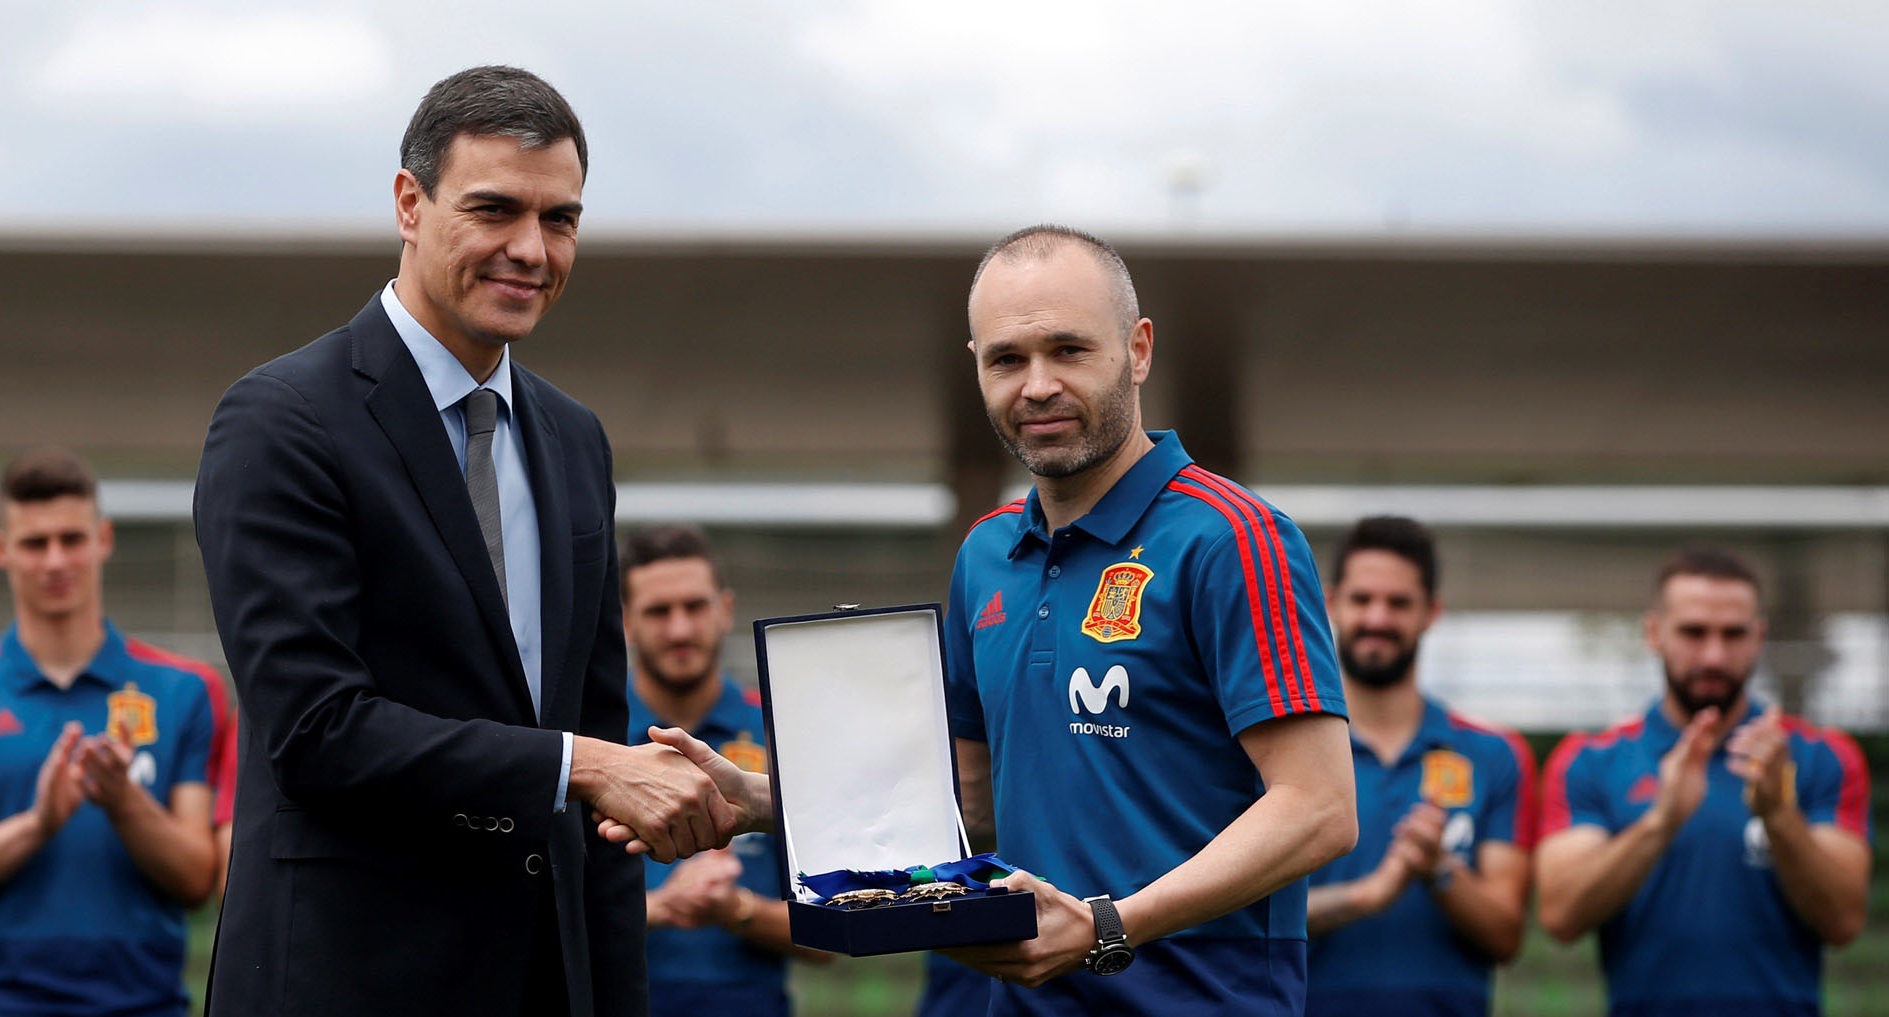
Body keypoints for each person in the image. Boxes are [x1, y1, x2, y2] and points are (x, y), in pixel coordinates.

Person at [194, 65, 745, 1017]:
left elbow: (600, 752)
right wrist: (584, 764)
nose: (531, 250)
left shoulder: (574, 440)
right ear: (409, 203)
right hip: (349, 982)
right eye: (495, 210)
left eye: (560, 219)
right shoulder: (283, 420)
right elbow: (315, 729)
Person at [931, 224, 1357, 1015]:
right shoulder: (984, 554)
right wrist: (766, 799)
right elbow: (968, 802)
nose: (1037, 385)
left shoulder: (1232, 536)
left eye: (1068, 349)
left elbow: (1319, 808)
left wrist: (1105, 926)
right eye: (1007, 359)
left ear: (1138, 350)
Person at [0, 449, 235, 1016]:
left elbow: (198, 878)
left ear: (103, 539)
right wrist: (37, 826)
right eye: (35, 543)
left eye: (72, 539)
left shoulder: (186, 690)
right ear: (0, 550)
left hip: (145, 1004)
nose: (55, 560)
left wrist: (123, 802)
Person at [1535, 547, 1870, 1017]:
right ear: (1654, 633)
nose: (1714, 655)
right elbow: (1561, 917)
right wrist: (1661, 822)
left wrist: (1778, 815)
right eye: (1693, 632)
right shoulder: (1591, 760)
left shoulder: (1821, 756)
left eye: (1733, 634)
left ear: (1760, 637)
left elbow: (1843, 921)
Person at [1304, 516, 1534, 1017]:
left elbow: (1506, 936)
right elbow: (1237, 919)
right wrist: (1365, 896)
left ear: (1432, 612)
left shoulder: (1493, 754)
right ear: (1331, 604)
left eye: (1399, 602)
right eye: (1362, 599)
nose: (1378, 618)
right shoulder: (1282, 749)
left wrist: (1440, 870)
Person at [620, 524, 830, 1017]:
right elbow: (531, 922)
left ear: (725, 609)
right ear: (625, 621)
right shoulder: (587, 745)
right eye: (657, 611)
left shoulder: (781, 737)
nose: (679, 629)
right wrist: (657, 910)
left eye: (693, 606)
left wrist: (736, 909)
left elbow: (829, 939)